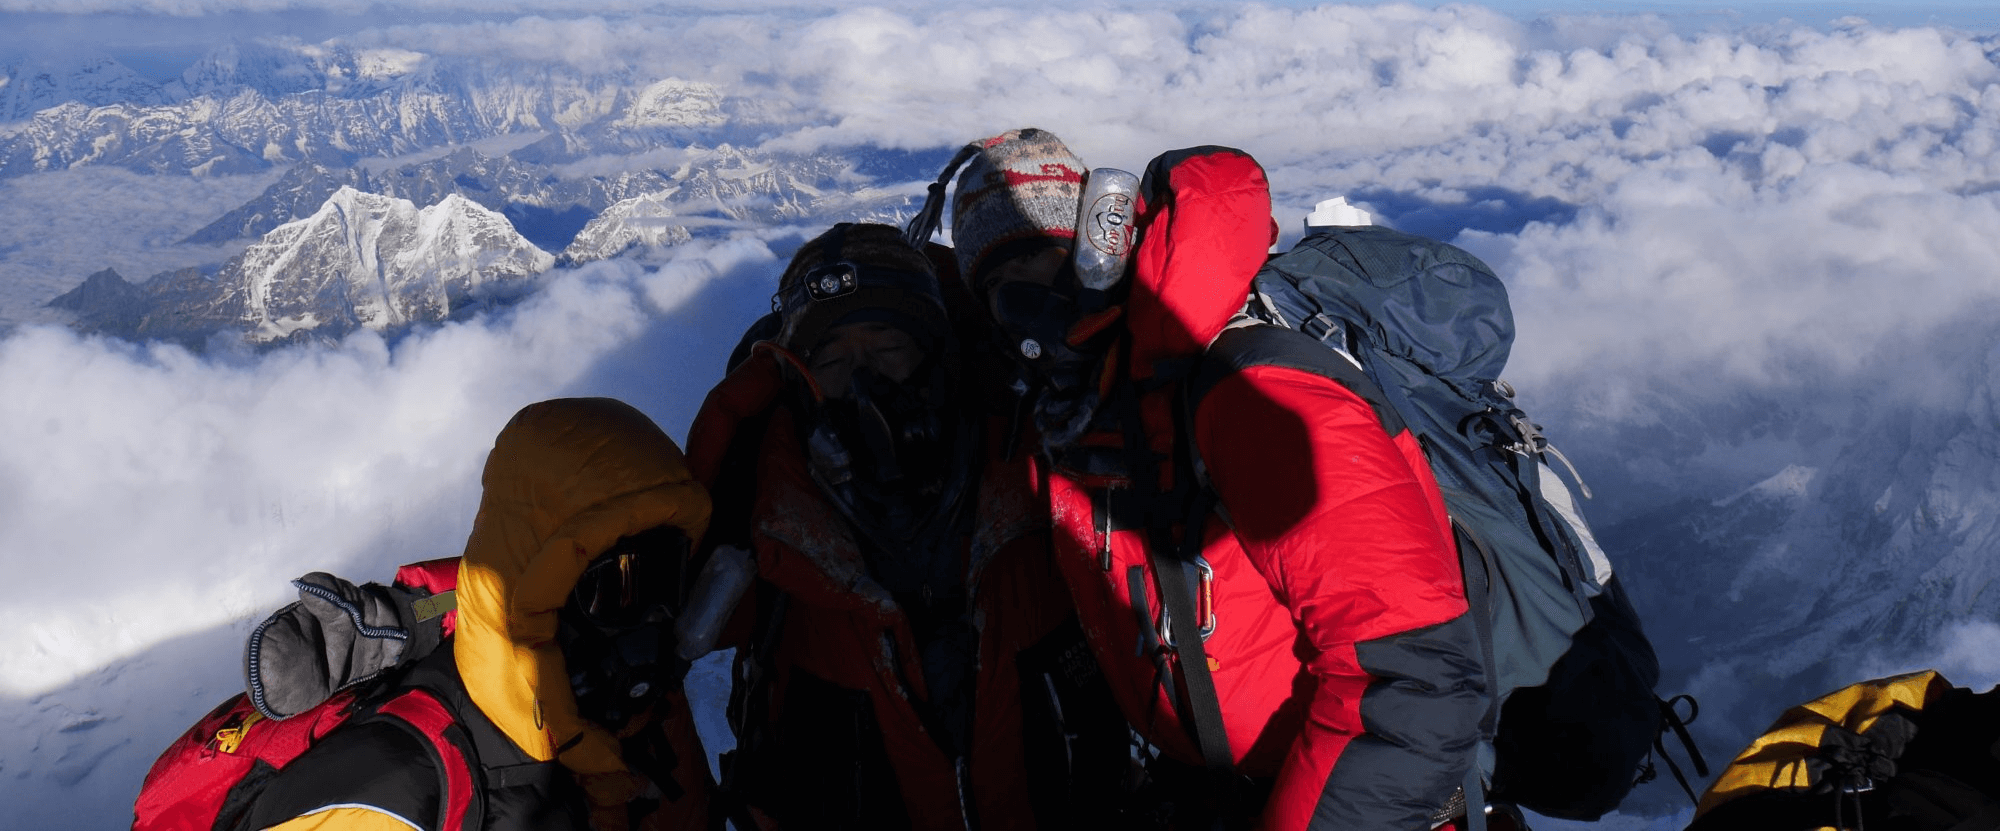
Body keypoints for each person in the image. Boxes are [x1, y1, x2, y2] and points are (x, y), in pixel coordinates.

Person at [940, 129, 1489, 831]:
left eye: (1046, 264)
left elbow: (1415, 682)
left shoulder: (1254, 397)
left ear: (1102, 251)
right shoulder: (1070, 419)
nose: (1028, 310)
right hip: (1219, 789)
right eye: (999, 288)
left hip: (1361, 804)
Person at [681, 222, 1129, 831]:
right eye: (833, 359)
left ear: (938, 353)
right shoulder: (760, 523)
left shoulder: (1042, 467)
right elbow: (666, 641)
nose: (863, 379)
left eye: (888, 347)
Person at [136, 397, 715, 831]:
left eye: (673, 577)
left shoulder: (608, 722)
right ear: (540, 586)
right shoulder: (390, 795)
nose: (657, 617)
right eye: (619, 583)